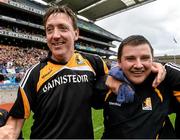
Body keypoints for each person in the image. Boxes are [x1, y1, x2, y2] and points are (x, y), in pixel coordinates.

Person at [0, 6, 165, 139]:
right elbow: (13, 125)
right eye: (49, 30)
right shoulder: (34, 74)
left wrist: (154, 65)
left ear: (76, 34)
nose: (55, 35)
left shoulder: (94, 62)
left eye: (63, 28)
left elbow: (120, 72)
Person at [102, 35, 180, 139]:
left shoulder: (164, 83)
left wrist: (166, 67)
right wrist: (108, 78)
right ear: (119, 62)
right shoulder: (104, 86)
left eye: (145, 58)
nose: (138, 65)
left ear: (153, 60)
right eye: (130, 58)